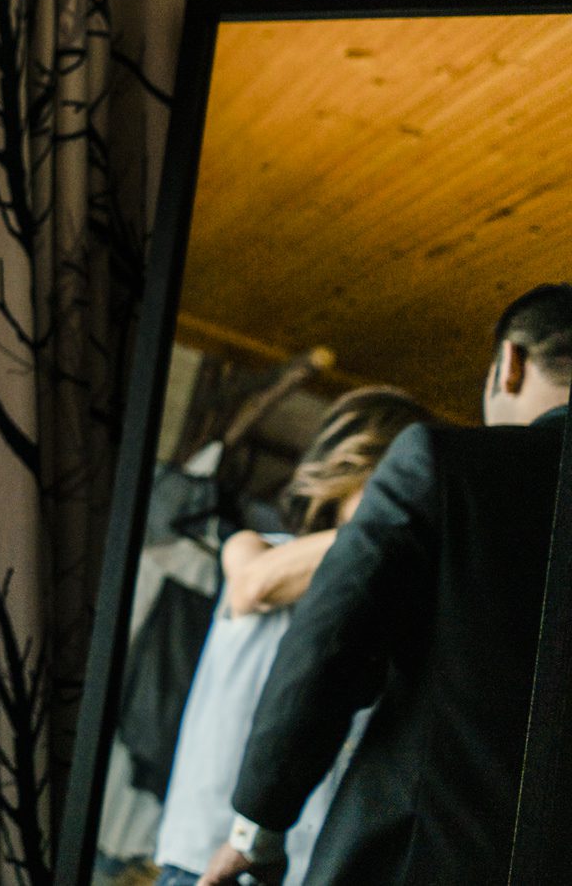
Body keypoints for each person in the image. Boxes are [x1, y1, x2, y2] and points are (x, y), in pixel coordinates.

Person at [201, 284, 572, 886]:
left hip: (413, 861)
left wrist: (257, 830)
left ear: (510, 365)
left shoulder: (445, 465)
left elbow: (331, 646)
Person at [148, 387, 429, 886]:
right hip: (208, 861)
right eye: (397, 482)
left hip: (313, 871)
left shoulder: (396, 604)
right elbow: (255, 584)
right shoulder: (254, 548)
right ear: (352, 471)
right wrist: (404, 522)